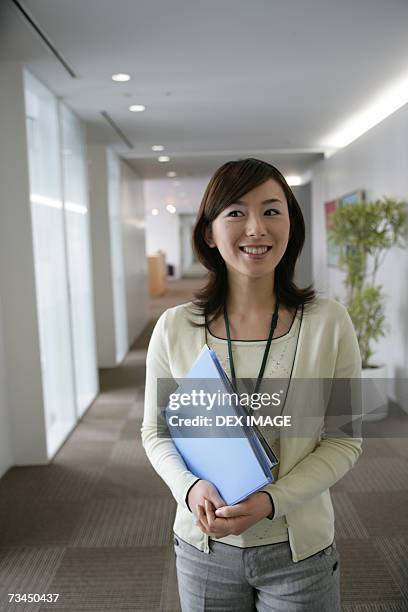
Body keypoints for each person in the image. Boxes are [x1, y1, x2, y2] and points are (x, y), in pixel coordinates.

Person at [141, 158, 362, 611]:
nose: (256, 228)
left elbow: (344, 441)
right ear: (209, 232)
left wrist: (270, 500)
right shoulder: (174, 328)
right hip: (203, 546)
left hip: (299, 548)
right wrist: (188, 488)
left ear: (292, 225)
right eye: (236, 212)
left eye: (272, 211)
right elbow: (156, 432)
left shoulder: (329, 323)